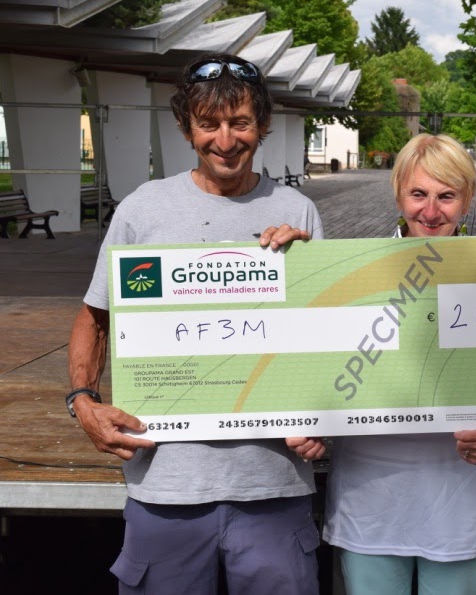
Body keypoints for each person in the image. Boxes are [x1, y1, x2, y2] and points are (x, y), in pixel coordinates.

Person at [66, 53, 326, 594]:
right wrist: (83, 402)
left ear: (263, 125)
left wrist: (308, 270)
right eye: (209, 124)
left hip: (273, 484)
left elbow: (325, 338)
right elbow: (96, 317)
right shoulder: (143, 209)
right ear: (187, 128)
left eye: (240, 122)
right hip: (165, 486)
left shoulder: (298, 213)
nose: (225, 140)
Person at [322, 133, 476, 595]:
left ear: (468, 199)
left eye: (446, 196)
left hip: (461, 490)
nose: (430, 211)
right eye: (418, 194)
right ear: (397, 195)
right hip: (371, 492)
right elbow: (320, 370)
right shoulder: (349, 274)